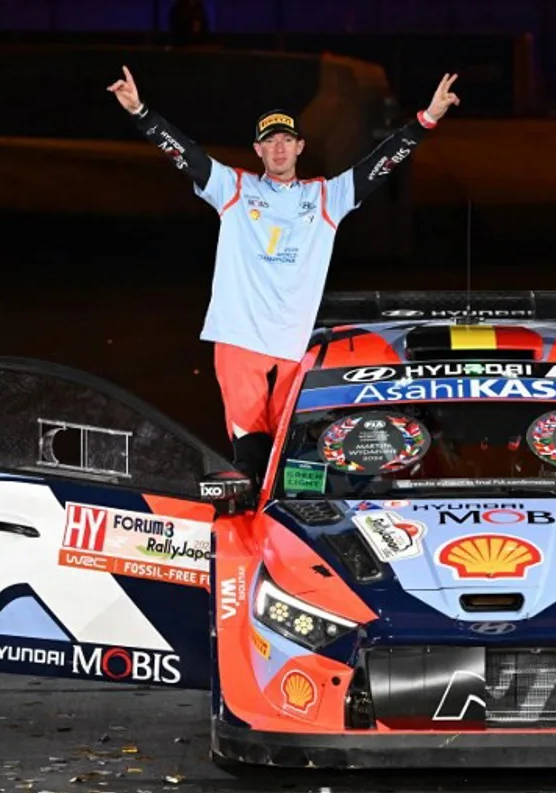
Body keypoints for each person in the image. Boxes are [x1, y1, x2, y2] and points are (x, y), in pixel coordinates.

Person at [106, 66, 461, 482]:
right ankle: (247, 517)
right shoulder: (233, 188)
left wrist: (427, 118)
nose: (278, 149)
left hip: (294, 340)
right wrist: (141, 112)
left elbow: (380, 165)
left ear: (299, 147)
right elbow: (186, 155)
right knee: (250, 457)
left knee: (294, 449)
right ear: (257, 150)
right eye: (270, 141)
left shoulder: (327, 196)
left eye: (286, 140)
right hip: (241, 334)